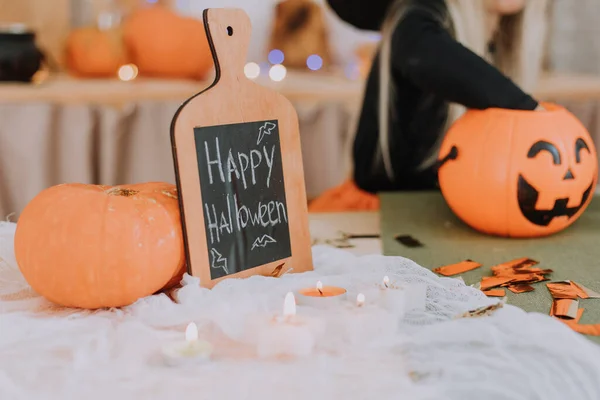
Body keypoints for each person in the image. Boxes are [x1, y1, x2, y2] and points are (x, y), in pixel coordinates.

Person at [308, 0, 550, 212]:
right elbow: (421, 50)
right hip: (385, 213)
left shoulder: (501, 40)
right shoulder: (419, 14)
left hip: (450, 213)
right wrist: (530, 111)